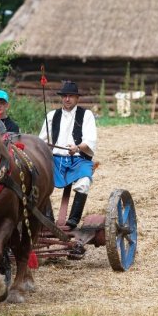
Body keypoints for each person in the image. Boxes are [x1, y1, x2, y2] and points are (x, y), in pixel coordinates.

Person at [39, 80, 97, 229]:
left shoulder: (86, 115)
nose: (67, 99)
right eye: (65, 96)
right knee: (39, 180)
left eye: (71, 96)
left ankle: (73, 220)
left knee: (84, 182)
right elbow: (41, 140)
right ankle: (48, 220)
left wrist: (77, 148)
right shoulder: (52, 115)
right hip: (55, 160)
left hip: (78, 160)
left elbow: (90, 140)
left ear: (77, 98)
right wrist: (44, 147)